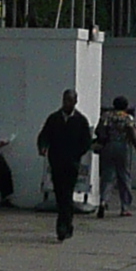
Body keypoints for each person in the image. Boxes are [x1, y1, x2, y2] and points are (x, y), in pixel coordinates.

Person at [40, 89, 95, 240]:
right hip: (56, 162)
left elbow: (86, 142)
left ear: (75, 102)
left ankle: (63, 226)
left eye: (70, 100)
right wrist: (43, 147)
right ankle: (65, 224)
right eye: (65, 100)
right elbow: (44, 135)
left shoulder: (80, 120)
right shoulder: (54, 118)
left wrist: (76, 154)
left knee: (67, 194)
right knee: (59, 194)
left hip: (71, 163)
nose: (67, 103)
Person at [96, 96, 136, 216]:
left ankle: (103, 201)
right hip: (123, 147)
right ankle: (124, 207)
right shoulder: (128, 118)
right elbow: (134, 137)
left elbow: (98, 131)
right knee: (124, 176)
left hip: (108, 147)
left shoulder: (106, 116)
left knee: (107, 176)